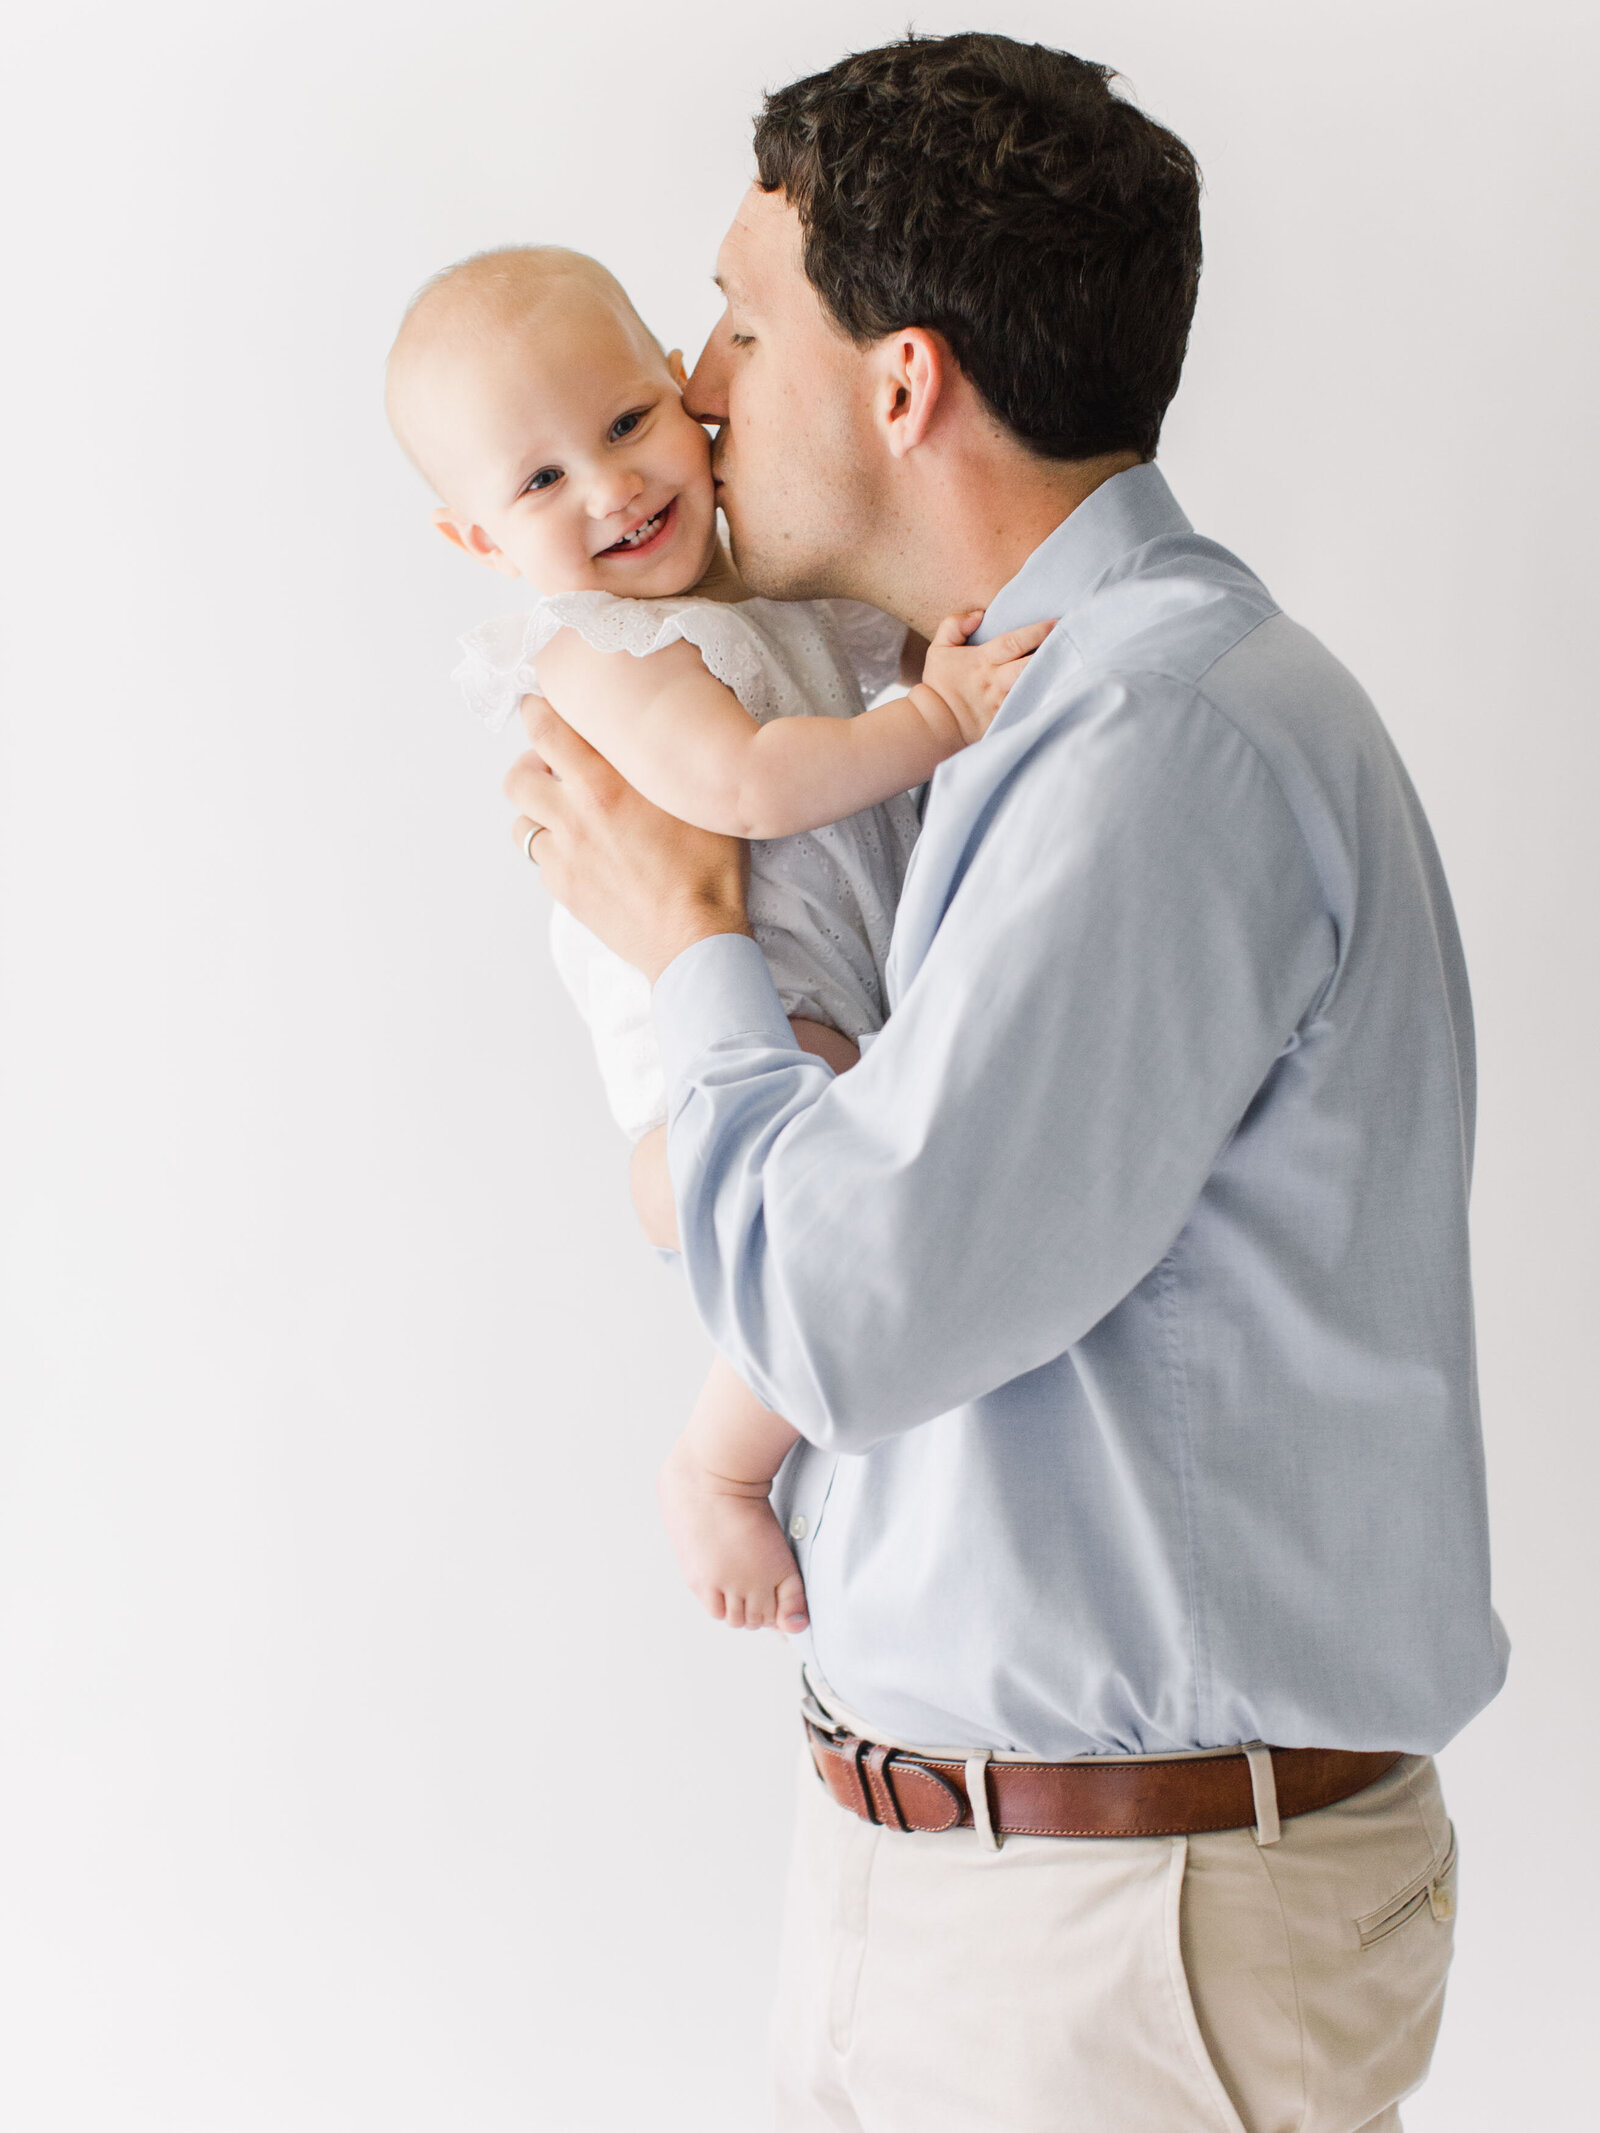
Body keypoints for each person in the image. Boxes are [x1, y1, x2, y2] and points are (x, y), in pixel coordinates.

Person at [502, 33, 1507, 2133]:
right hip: (1001, 1885)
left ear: (901, 382)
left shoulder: (1158, 748)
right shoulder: (1020, 733)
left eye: (739, 319)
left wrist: (688, 923)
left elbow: (851, 1307)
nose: (692, 386)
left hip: (1114, 1931)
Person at [384, 246, 1047, 1638]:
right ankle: (713, 1466)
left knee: (878, 1197)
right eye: (542, 481)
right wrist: (936, 716)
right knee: (824, 1159)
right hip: (719, 1067)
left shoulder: (767, 604)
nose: (612, 489)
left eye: (626, 425)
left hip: (825, 1011)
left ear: (684, 393)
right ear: (477, 540)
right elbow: (742, 785)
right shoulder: (595, 653)